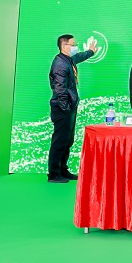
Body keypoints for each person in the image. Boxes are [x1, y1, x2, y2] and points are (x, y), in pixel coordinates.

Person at [47, 34, 97, 184]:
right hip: (62, 108)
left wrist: (90, 52)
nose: (76, 47)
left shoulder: (68, 60)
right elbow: (60, 89)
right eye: (73, 45)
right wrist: (66, 107)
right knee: (59, 141)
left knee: (67, 140)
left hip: (69, 107)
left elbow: (79, 57)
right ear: (64, 46)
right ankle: (54, 173)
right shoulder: (60, 64)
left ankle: (63, 169)